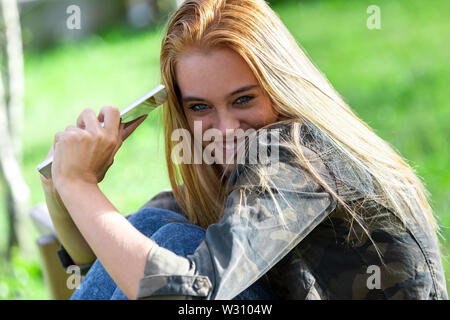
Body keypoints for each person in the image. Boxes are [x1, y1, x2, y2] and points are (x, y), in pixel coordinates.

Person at [40, 0, 448, 300]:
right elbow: (99, 262)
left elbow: (188, 296)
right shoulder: (232, 176)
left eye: (243, 100)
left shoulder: (295, 151)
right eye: (200, 107)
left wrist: (80, 186)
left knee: (176, 246)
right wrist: (62, 186)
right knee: (149, 226)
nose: (225, 129)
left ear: (280, 86)